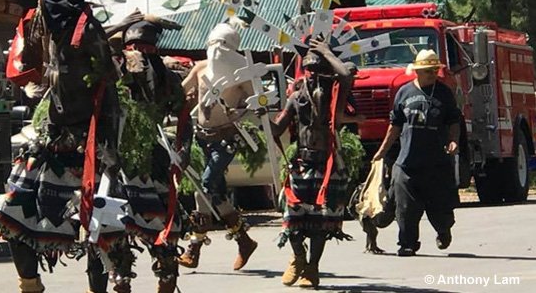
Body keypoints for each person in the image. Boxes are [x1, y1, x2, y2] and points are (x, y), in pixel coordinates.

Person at [0, 0, 122, 293]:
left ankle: (99, 287)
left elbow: (108, 81)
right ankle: (30, 285)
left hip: (91, 141)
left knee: (99, 221)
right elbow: (20, 2)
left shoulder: (86, 28)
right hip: (49, 138)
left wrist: (109, 144)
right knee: (11, 210)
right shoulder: (42, 21)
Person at [110, 16, 192, 293]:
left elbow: (184, 117)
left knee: (166, 233)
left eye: (144, 48)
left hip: (155, 160)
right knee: (114, 233)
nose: (138, 55)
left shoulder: (165, 78)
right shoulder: (116, 71)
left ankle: (166, 283)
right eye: (133, 48)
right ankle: (120, 282)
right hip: (117, 161)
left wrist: (183, 152)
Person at [271, 37, 354, 289]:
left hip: (327, 163)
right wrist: (262, 116)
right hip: (301, 164)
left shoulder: (336, 93)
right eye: (308, 70)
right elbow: (278, 129)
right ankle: (298, 258)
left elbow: (346, 76)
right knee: (292, 219)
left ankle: (312, 268)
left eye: (317, 70)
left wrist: (326, 53)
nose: (312, 75)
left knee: (320, 223)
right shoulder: (296, 97)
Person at [177, 22, 258, 272]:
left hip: (226, 137)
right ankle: (243, 241)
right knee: (209, 191)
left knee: (207, 183)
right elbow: (181, 92)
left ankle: (195, 246)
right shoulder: (201, 68)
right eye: (214, 45)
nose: (216, 50)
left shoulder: (242, 73)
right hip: (201, 136)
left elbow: (256, 104)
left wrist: (238, 110)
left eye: (222, 45)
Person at [372, 49, 460, 257]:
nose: (432, 74)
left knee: (440, 207)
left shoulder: (444, 93)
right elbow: (394, 126)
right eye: (428, 70)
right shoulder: (404, 93)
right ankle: (407, 244)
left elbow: (453, 121)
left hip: (436, 163)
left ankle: (443, 230)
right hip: (407, 163)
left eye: (434, 70)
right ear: (417, 71)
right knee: (405, 206)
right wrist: (381, 152)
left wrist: (454, 140)